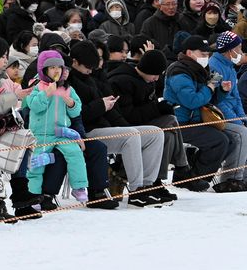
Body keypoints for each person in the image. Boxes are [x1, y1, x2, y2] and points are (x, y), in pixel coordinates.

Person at [65, 41, 168, 206]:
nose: (90, 71)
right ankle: (136, 190)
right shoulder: (68, 82)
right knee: (131, 135)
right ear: (75, 62)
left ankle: (147, 185)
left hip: (105, 126)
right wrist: (101, 106)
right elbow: (74, 114)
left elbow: (109, 110)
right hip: (86, 131)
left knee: (155, 133)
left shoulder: (92, 79)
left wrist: (122, 122)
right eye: (87, 68)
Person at [108, 49, 201, 191]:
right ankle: (183, 168)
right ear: (146, 69)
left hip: (143, 124)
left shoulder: (146, 79)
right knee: (170, 120)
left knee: (168, 134)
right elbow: (128, 116)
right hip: (126, 127)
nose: (157, 79)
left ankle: (157, 180)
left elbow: (147, 106)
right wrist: (158, 109)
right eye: (155, 74)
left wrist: (159, 107)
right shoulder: (122, 81)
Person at [163, 35, 233, 191]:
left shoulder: (199, 70)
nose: (206, 57)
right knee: (219, 141)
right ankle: (195, 178)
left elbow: (208, 100)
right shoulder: (178, 71)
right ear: (189, 53)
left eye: (208, 54)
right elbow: (192, 101)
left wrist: (221, 90)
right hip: (178, 123)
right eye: (202, 54)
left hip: (194, 120)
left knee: (230, 139)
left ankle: (187, 174)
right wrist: (209, 86)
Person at [23, 51, 87, 200]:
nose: (57, 70)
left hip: (62, 132)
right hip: (41, 135)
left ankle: (78, 187)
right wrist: (47, 93)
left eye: (59, 67)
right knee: (36, 164)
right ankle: (33, 196)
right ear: (44, 70)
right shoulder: (37, 87)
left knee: (75, 153)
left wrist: (70, 103)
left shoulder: (68, 89)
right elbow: (34, 106)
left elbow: (77, 110)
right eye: (52, 67)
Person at [208, 32, 247, 192]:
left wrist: (242, 116)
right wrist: (237, 121)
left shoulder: (229, 66)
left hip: (232, 111)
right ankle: (231, 178)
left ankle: (243, 176)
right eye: (238, 48)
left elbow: (236, 97)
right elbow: (218, 100)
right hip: (218, 114)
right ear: (229, 50)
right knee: (242, 134)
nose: (241, 52)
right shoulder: (214, 66)